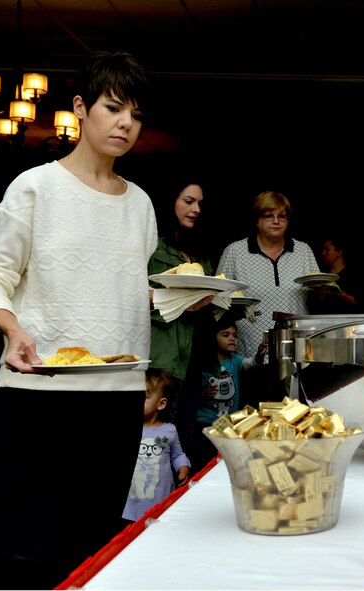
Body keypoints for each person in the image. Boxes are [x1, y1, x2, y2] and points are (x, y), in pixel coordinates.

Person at [0, 50, 156, 587]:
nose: (126, 123)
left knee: (96, 545)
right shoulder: (35, 187)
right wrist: (10, 326)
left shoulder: (141, 203)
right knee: (31, 549)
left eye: (137, 115)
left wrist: (168, 300)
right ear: (80, 107)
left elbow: (121, 287)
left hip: (119, 395)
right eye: (114, 107)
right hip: (37, 394)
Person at [216, 190, 319, 360]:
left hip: (296, 348)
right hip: (248, 352)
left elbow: (318, 295)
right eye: (269, 216)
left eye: (282, 216)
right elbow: (218, 301)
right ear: (257, 220)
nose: (276, 221)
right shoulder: (235, 252)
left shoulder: (303, 251)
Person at [147, 176, 215, 432]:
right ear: (170, 202)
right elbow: (131, 295)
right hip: (162, 357)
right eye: (188, 201)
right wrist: (177, 301)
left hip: (196, 356)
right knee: (157, 435)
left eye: (199, 203)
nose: (196, 209)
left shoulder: (200, 251)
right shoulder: (152, 245)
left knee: (184, 438)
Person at [187, 310, 262, 473]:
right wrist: (204, 394)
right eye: (226, 335)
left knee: (226, 461)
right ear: (213, 337)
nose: (232, 339)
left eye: (234, 336)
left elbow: (250, 364)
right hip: (206, 423)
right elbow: (193, 394)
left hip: (228, 423)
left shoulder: (234, 360)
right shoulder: (205, 364)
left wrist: (259, 355)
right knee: (205, 463)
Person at [123, 368, 191, 522]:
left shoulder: (169, 430)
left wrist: (183, 467)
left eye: (144, 397)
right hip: (131, 501)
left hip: (159, 496)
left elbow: (177, 454)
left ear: (161, 404)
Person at [307, 235, 364, 314]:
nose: (323, 253)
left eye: (327, 250)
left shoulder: (353, 276)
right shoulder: (322, 276)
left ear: (339, 252)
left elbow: (359, 303)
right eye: (323, 250)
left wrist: (340, 294)